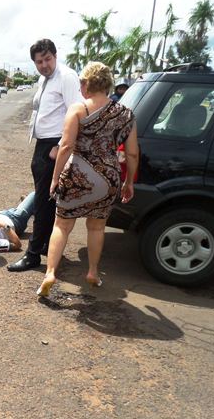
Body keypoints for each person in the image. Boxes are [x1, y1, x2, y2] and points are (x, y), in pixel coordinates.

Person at [36, 62, 139, 297]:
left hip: (77, 175)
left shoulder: (78, 109)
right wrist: (128, 182)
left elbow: (66, 146)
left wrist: (54, 179)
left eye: (81, 83)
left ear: (86, 84)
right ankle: (92, 271)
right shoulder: (126, 114)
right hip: (108, 178)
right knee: (96, 227)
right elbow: (132, 153)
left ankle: (50, 272)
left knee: (62, 225)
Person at [7, 39, 83, 272]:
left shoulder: (67, 77)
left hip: (54, 147)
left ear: (55, 55)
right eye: (39, 61)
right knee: (47, 202)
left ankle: (32, 255)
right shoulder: (44, 79)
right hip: (43, 145)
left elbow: (78, 113)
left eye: (47, 59)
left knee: (42, 202)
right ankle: (45, 247)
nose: (44, 65)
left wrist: (60, 144)